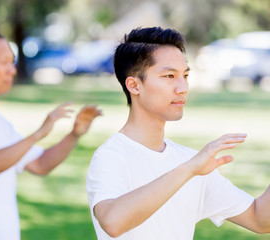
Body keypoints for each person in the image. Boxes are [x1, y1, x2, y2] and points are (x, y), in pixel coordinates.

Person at [86, 26, 270, 240]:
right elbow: (113, 222)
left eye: (185, 76)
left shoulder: (192, 162)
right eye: (169, 75)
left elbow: (260, 219)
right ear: (134, 85)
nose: (182, 88)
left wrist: (192, 167)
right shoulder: (111, 156)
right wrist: (190, 169)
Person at [0, 31, 101, 240]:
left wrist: (74, 135)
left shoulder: (1, 123)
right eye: (4, 62)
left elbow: (40, 164)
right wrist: (38, 134)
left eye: (13, 62)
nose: (12, 71)